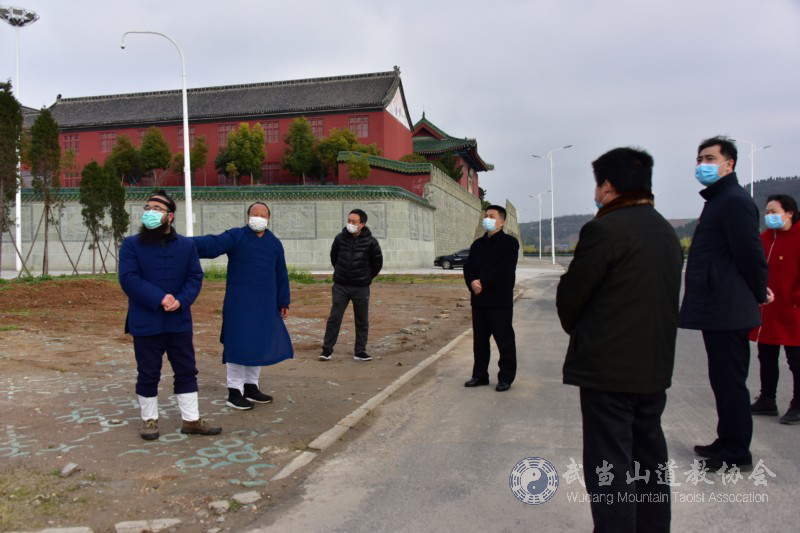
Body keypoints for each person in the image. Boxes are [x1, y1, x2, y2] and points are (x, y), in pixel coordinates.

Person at [557, 148, 682, 533]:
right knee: (649, 461)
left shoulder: (604, 229)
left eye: (597, 184)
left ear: (607, 186)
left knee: (609, 466)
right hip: (654, 368)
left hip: (608, 371)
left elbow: (571, 300)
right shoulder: (665, 230)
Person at [680, 136, 770, 471]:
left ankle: (737, 453)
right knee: (722, 379)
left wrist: (760, 291)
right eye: (699, 158)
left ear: (728, 164)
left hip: (728, 308)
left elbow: (750, 253)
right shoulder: (719, 199)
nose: (702, 164)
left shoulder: (733, 200)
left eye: (709, 158)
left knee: (730, 381)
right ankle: (727, 438)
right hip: (719, 306)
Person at [119, 190, 222, 440]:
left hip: (179, 321)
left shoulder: (187, 245)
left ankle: (191, 420)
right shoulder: (131, 244)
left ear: (170, 216)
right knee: (148, 372)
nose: (150, 212)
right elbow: (129, 279)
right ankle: (149, 421)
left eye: (157, 209)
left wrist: (182, 300)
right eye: (148, 207)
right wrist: (160, 298)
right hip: (146, 321)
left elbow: (195, 277)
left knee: (187, 370)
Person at [193, 202, 293, 410]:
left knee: (258, 343)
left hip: (265, 302)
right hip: (239, 302)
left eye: (262, 214)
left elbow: (281, 273)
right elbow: (213, 244)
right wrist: (181, 243)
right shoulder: (236, 236)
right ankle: (234, 391)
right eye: (254, 213)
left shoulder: (274, 243)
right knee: (237, 343)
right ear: (248, 217)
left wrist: (283, 301)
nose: (258, 216)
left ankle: (251, 386)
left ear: (268, 218)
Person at [749, 194, 800, 424]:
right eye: (767, 212)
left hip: (793, 310)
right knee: (766, 355)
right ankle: (767, 399)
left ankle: (798, 404)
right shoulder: (764, 239)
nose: (769, 216)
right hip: (768, 309)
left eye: (774, 212)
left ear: (789, 213)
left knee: (796, 360)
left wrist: (794, 297)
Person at [463, 205, 519, 392]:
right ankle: (479, 375)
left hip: (499, 301)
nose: (487, 219)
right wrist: (472, 282)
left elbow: (505, 269)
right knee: (479, 341)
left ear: (501, 222)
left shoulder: (510, 243)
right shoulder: (477, 244)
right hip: (479, 300)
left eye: (491, 216)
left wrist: (482, 282)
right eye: (486, 216)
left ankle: (505, 377)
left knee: (504, 340)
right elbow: (468, 267)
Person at [319, 209, 383, 362]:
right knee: (334, 318)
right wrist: (342, 272)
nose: (350, 224)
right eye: (349, 221)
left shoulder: (371, 242)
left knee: (361, 320)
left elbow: (377, 263)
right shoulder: (340, 238)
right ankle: (326, 350)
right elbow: (334, 257)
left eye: (354, 222)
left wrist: (366, 278)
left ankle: (360, 351)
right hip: (341, 286)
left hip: (361, 287)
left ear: (362, 224)